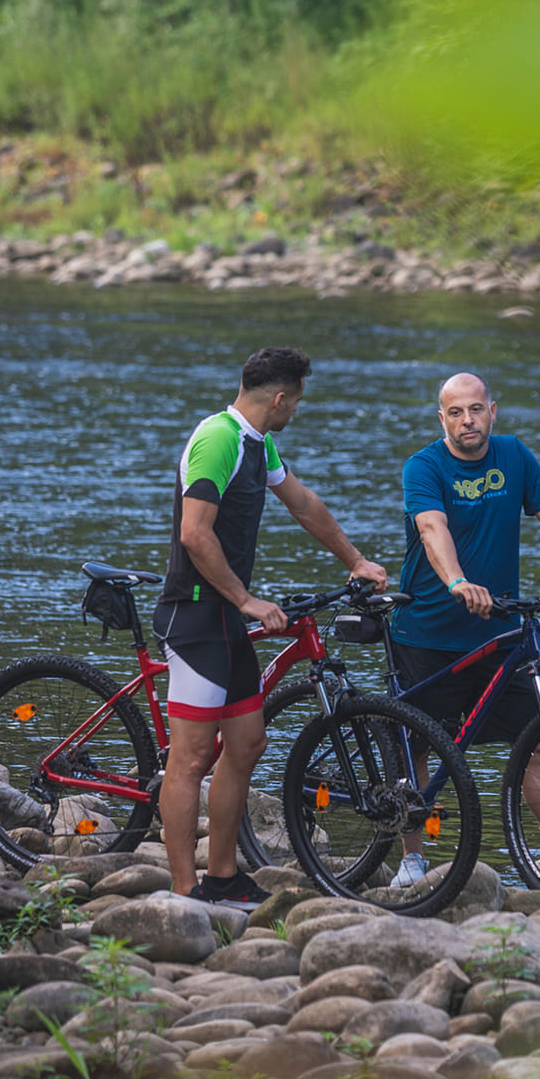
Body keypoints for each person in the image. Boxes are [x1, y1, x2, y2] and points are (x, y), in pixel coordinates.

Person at [153, 345, 387, 908]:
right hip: (194, 617)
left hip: (226, 621)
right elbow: (194, 533)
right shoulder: (219, 439)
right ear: (280, 398)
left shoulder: (261, 443)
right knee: (188, 758)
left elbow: (303, 503)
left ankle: (225, 874)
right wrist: (249, 600)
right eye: (297, 400)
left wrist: (355, 560)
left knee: (248, 742)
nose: (296, 410)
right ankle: (185, 892)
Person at [388, 369, 540, 894]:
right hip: (427, 632)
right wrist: (457, 581)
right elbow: (432, 528)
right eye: (455, 412)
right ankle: (413, 860)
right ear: (440, 418)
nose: (467, 421)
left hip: (500, 633)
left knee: (535, 742)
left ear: (494, 410)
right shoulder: (423, 466)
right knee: (418, 746)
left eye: (475, 409)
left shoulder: (513, 455)